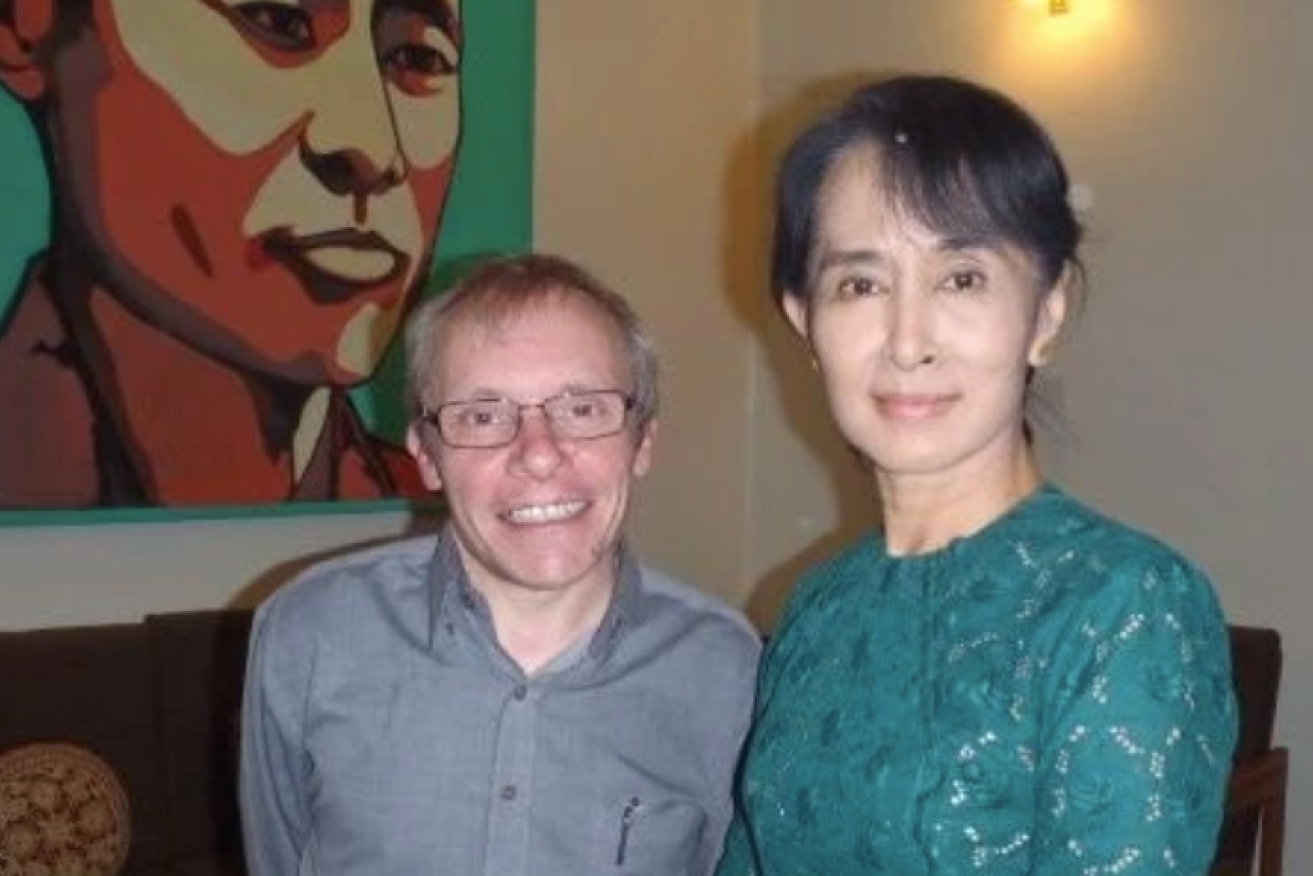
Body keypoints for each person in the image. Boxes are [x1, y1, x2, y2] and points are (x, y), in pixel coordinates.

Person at [716, 75, 1237, 876]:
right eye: (860, 284)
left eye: (960, 277)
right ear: (804, 321)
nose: (906, 340)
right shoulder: (814, 608)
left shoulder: (1124, 607)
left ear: (1046, 311)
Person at [240, 253, 762, 875]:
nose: (539, 455)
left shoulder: (729, 672)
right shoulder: (307, 634)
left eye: (582, 408)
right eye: (484, 417)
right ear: (428, 457)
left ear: (642, 441)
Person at [0, 0, 463, 507]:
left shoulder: (440, 526)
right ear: (28, 22)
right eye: (276, 22)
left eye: (418, 58)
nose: (372, 147)